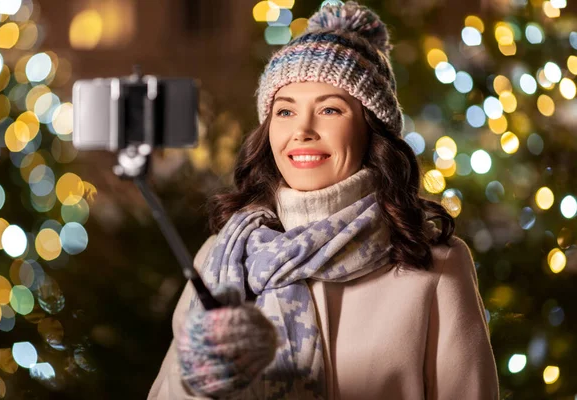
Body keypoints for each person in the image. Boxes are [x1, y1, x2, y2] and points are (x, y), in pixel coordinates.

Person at [148, 1, 499, 399]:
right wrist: (200, 378)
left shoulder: (433, 264)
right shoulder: (221, 257)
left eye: (330, 109)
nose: (302, 131)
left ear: (371, 129)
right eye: (284, 112)